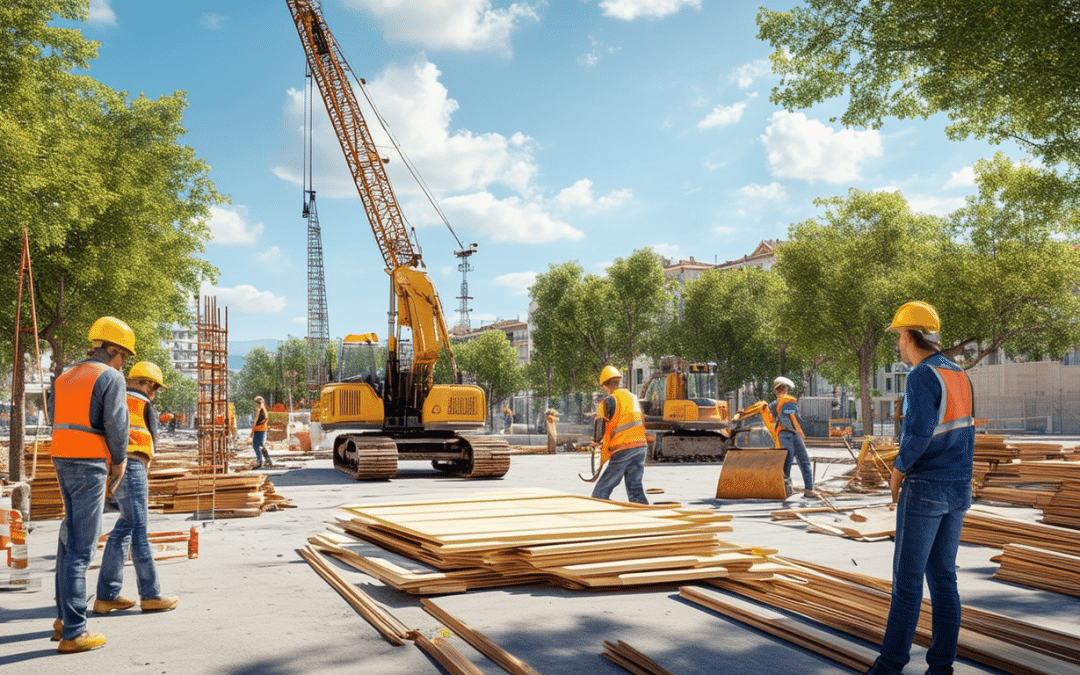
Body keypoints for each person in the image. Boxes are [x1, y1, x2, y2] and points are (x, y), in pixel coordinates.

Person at [867, 301, 975, 675]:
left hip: (925, 487)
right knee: (944, 579)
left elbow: (918, 434)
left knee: (908, 583)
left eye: (898, 335)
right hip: (958, 486)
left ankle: (889, 665)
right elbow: (965, 433)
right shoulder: (959, 374)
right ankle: (941, 667)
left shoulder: (920, 375)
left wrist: (897, 471)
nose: (898, 342)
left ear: (910, 336)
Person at [47, 317, 133, 653]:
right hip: (90, 462)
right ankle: (75, 632)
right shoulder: (110, 377)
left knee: (68, 539)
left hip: (62, 457)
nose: (123, 363)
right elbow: (116, 422)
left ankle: (63, 620)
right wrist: (119, 460)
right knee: (82, 549)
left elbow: (55, 415)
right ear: (111, 349)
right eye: (123, 355)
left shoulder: (64, 376)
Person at [94, 361, 179, 617]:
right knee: (139, 530)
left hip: (118, 465)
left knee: (125, 527)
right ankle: (151, 595)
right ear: (148, 384)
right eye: (156, 389)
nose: (155, 394)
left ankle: (107, 595)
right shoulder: (141, 403)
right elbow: (151, 440)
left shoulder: (117, 397)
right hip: (132, 466)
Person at [590, 366, 648, 504]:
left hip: (623, 448)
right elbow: (641, 419)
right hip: (641, 446)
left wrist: (596, 443)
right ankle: (643, 511)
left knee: (599, 493)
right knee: (635, 488)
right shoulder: (633, 398)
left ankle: (601, 510)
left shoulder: (608, 402)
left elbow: (599, 432)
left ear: (605, 386)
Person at [769, 376, 815, 497]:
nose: (784, 390)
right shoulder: (787, 401)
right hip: (790, 433)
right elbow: (792, 415)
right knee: (799, 460)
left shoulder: (775, 404)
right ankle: (806, 489)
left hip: (787, 433)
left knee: (789, 460)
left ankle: (792, 489)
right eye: (783, 388)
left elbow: (779, 415)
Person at [249, 396, 272, 468]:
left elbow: (256, 419)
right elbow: (266, 418)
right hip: (263, 429)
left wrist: (253, 429)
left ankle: (260, 461)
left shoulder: (259, 408)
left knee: (256, 445)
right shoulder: (264, 408)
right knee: (261, 445)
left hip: (258, 429)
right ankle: (268, 460)